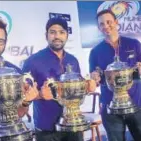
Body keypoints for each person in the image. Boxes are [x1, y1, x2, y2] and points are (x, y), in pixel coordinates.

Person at [22, 17, 96, 141]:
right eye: (53, 32)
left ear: (67, 35)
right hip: (47, 128)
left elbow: (76, 90)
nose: (57, 36)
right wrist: (40, 95)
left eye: (61, 32)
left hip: (73, 123)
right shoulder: (33, 61)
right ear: (46, 35)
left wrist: (88, 87)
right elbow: (22, 95)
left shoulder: (73, 60)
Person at [89, 9, 141, 141]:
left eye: (109, 22)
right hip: (110, 107)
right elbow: (94, 77)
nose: (106, 26)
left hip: (136, 103)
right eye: (101, 24)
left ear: (116, 22)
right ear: (99, 28)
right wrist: (94, 77)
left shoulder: (134, 44)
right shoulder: (95, 51)